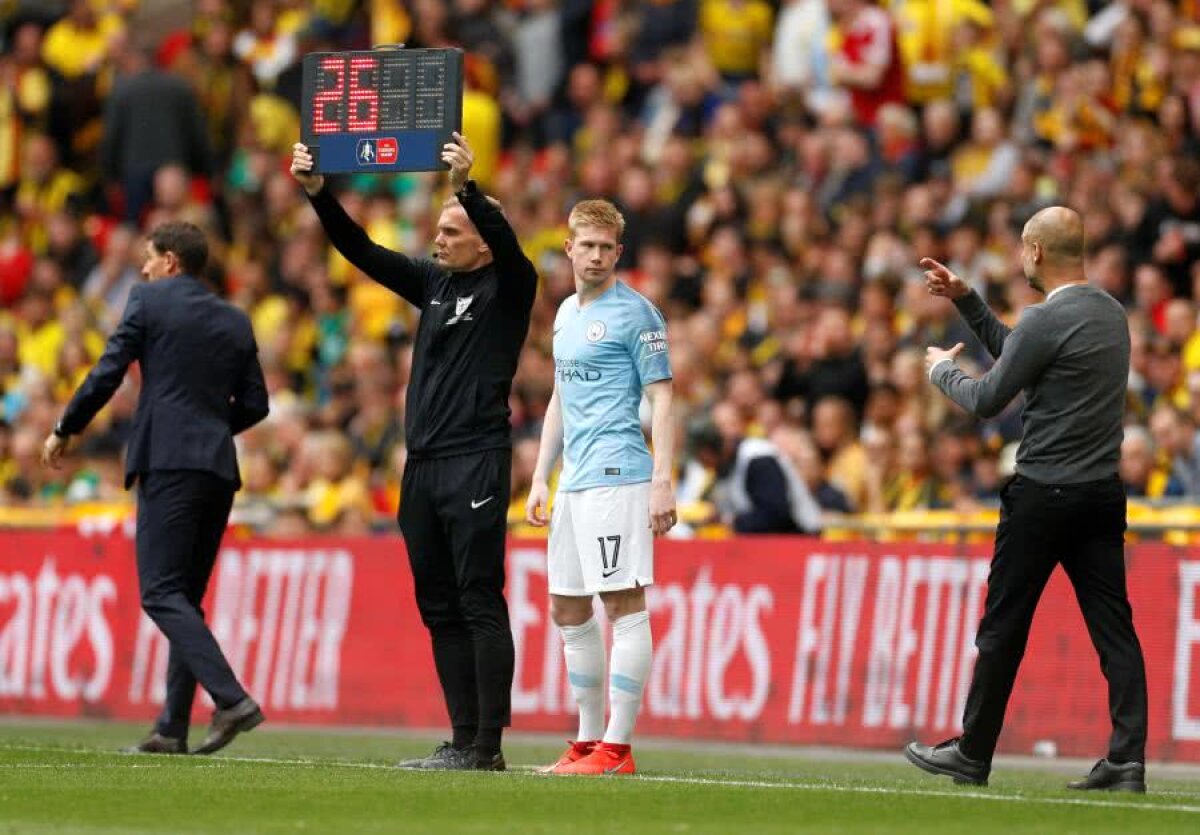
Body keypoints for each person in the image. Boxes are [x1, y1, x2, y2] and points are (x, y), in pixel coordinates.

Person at [290, 134, 537, 771]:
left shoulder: (509, 288)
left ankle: (488, 746)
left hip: (476, 459)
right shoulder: (431, 284)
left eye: (452, 230)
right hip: (422, 466)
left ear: (482, 238)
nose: (439, 239)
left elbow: (509, 247)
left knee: (479, 596)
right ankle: (461, 741)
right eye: (439, 229)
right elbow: (361, 250)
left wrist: (468, 190)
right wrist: (320, 194)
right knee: (438, 604)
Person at [905, 207, 1149, 792]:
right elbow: (1025, 352)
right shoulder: (1112, 315)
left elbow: (990, 396)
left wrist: (941, 372)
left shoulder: (1045, 318)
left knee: (1003, 626)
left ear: (1035, 252)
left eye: (1021, 248)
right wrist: (967, 299)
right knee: (1114, 628)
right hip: (1099, 496)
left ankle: (974, 751)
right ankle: (1127, 759)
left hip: (1041, 494)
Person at [42, 221, 269, 755]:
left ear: (170, 261)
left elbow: (108, 372)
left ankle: (231, 698)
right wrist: (211, 431)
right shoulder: (236, 320)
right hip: (217, 469)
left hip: (168, 464)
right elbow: (256, 404)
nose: (142, 269)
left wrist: (65, 428)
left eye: (148, 258)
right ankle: (171, 726)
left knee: (161, 592)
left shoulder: (149, 301)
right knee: (184, 596)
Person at [525, 199, 676, 775]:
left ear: (619, 252)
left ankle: (617, 747)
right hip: (573, 482)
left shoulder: (638, 314)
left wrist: (662, 481)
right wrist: (541, 475)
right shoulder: (564, 314)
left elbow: (663, 397)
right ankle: (586, 742)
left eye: (605, 247)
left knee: (621, 603)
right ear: (568, 248)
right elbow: (561, 400)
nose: (594, 255)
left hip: (620, 475)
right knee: (566, 606)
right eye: (585, 245)